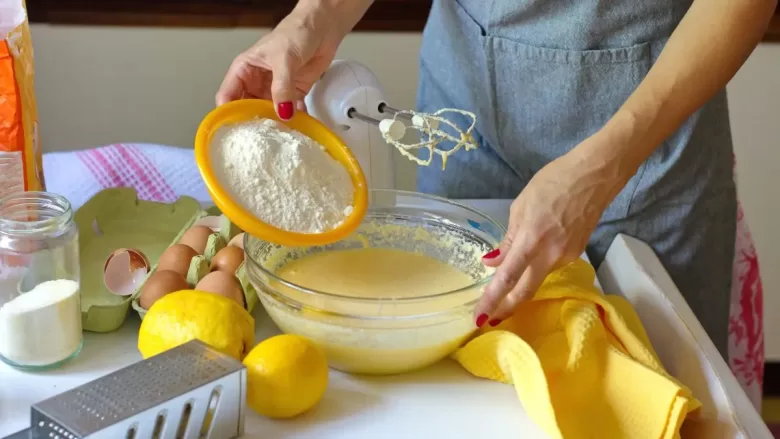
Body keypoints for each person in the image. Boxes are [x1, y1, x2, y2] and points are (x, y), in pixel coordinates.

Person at [216, 0, 776, 359]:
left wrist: (605, 164)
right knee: (468, 359)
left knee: (652, 378)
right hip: (466, 99)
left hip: (642, 120)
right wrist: (315, 16)